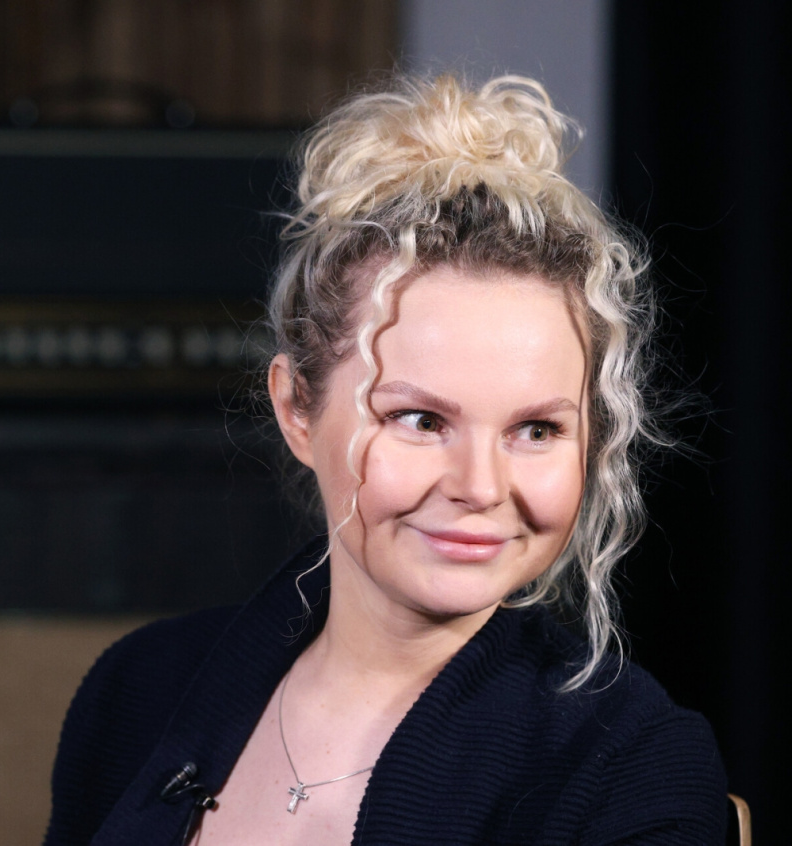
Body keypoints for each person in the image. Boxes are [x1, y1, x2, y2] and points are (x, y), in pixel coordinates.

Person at [43, 74, 727, 845]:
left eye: (536, 430)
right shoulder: (135, 693)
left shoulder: (637, 769)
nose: (480, 487)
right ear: (298, 410)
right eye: (421, 420)